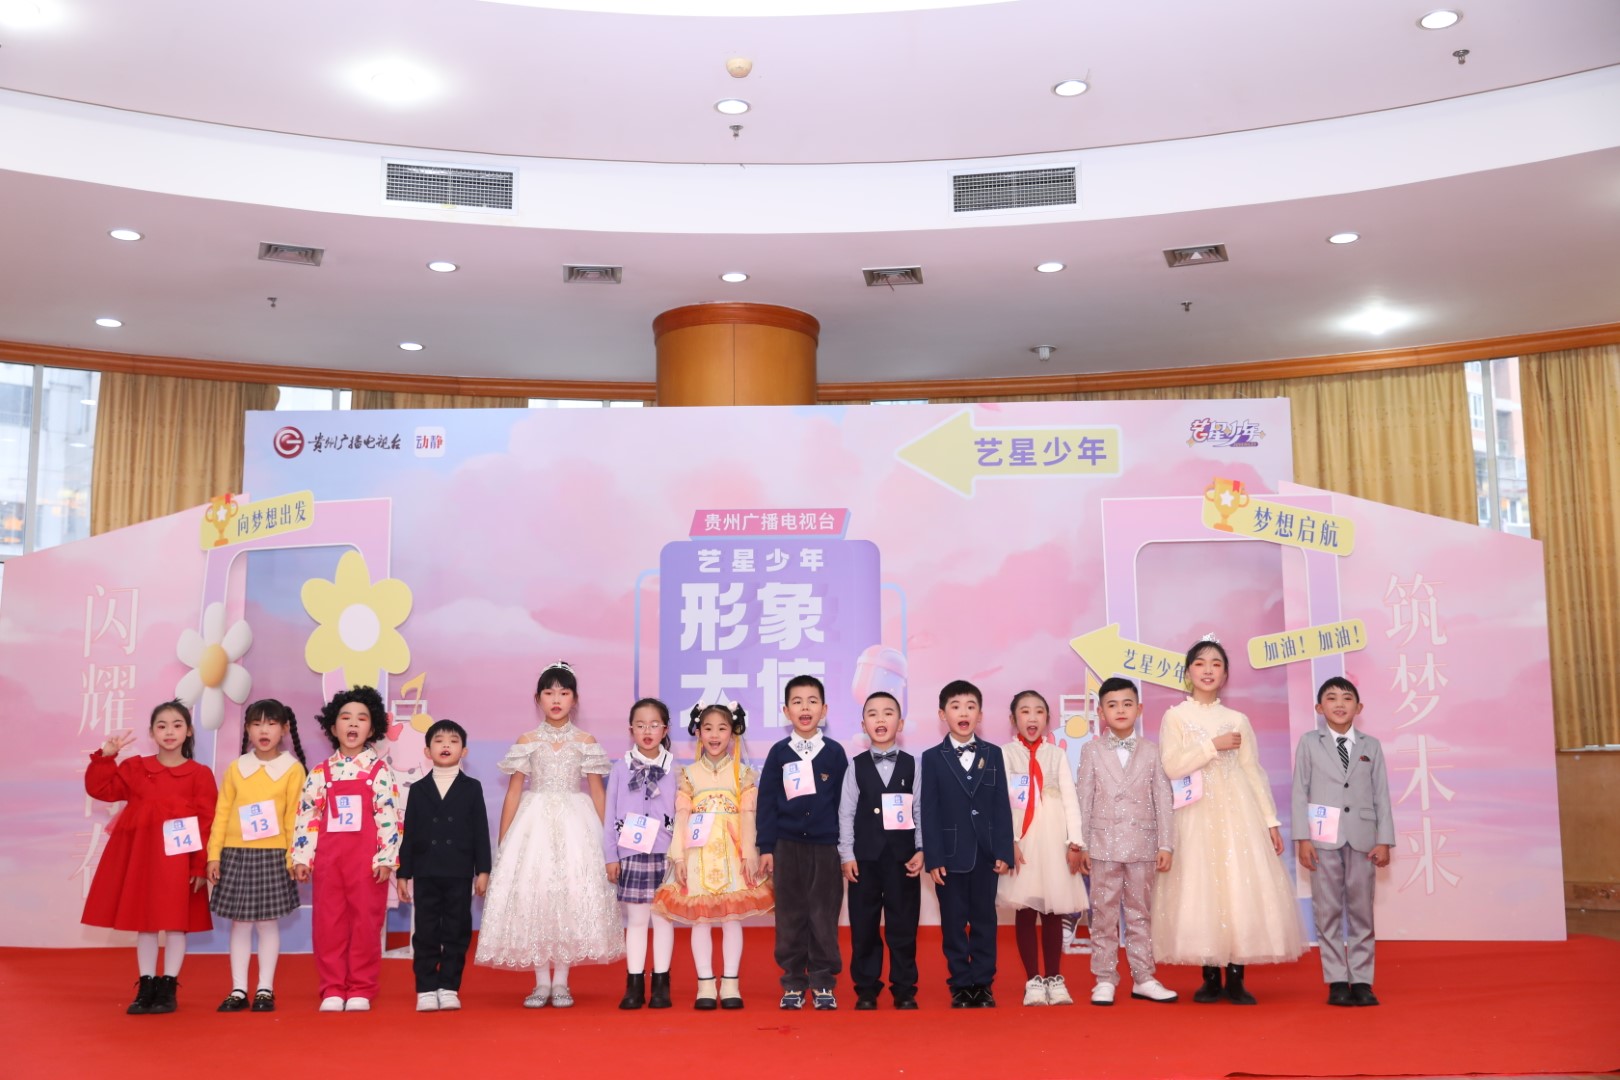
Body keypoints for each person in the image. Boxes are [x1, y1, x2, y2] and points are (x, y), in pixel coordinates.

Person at [1151, 636, 1304, 1004]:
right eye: (1200, 663)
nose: (1208, 670)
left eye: (1216, 664)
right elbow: (1171, 766)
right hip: (1194, 813)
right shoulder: (1175, 717)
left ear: (1225, 675)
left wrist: (1270, 821)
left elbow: (1253, 771)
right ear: (1188, 672)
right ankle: (1209, 977)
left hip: (1238, 812)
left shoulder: (1238, 719)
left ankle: (1236, 977)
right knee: (1202, 887)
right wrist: (1211, 746)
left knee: (1238, 886)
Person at [474, 661, 622, 1007]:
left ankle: (562, 982)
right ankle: (541, 983)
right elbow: (513, 792)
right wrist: (504, 841)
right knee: (536, 895)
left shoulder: (585, 742)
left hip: (576, 826)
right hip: (533, 825)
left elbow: (598, 793)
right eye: (549, 692)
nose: (556, 699)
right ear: (537, 698)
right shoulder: (527, 741)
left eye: (564, 693)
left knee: (569, 896)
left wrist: (608, 843)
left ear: (575, 699)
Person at [83, 700, 217, 1015]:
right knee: (145, 924)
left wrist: (199, 865)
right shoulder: (135, 768)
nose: (169, 732)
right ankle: (146, 986)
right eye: (162, 726)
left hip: (179, 861)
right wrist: (106, 756)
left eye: (177, 725)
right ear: (151, 733)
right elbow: (101, 789)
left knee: (176, 925)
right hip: (142, 858)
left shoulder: (200, 774)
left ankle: (168, 988)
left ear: (189, 731)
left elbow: (207, 823)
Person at [652, 702, 774, 1010]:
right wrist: (679, 858)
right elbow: (681, 818)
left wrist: (750, 853)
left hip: (733, 854)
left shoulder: (743, 774)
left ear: (733, 733)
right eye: (708, 728)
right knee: (701, 920)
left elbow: (749, 816)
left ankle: (731, 982)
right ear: (698, 733)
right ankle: (705, 983)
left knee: (732, 919)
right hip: (698, 855)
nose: (715, 735)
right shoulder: (689, 775)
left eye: (722, 728)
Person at [291, 686, 402, 1012]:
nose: (353, 723)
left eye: (362, 718)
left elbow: (389, 817)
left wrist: (386, 858)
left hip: (367, 864)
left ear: (373, 728)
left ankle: (361, 988)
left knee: (366, 925)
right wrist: (302, 857)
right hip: (328, 862)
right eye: (346, 717)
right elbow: (307, 816)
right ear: (332, 726)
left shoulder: (380, 771)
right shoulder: (319, 773)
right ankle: (332, 988)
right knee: (328, 924)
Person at [1074, 677, 1178, 1006]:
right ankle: (1105, 978)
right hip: (1102, 844)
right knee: (1103, 914)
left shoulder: (1152, 751)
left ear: (1139, 709)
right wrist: (1082, 844)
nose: (1120, 710)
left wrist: (1166, 844)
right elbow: (1083, 799)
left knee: (1139, 914)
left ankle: (1144, 977)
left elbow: (1163, 799)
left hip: (1143, 844)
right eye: (1112, 705)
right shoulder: (1091, 750)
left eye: (1127, 704)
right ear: (1100, 712)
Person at [1292, 676, 1394, 1007]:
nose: (1339, 704)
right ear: (1319, 708)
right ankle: (1337, 980)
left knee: (1362, 910)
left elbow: (1381, 795)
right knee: (1328, 910)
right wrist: (1302, 838)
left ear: (1359, 707)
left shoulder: (1370, 745)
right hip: (1322, 839)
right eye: (1332, 698)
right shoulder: (1310, 742)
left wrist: (1384, 839)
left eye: (1347, 698)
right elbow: (1299, 791)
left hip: (1363, 839)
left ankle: (1362, 981)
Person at [918, 679, 1015, 1008]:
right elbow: (929, 810)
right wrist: (933, 857)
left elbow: (1001, 805)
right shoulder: (932, 758)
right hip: (949, 856)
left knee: (985, 922)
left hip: (986, 855)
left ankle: (983, 984)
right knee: (953, 924)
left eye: (971, 707)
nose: (964, 713)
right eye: (956, 706)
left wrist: (1003, 850)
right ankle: (960, 984)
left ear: (980, 715)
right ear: (942, 714)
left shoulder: (993, 754)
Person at [206, 698, 307, 1013]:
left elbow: (294, 818)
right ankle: (238, 989)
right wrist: (214, 855)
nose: (264, 730)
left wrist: (293, 858)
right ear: (247, 729)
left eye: (272, 723)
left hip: (273, 854)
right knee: (240, 924)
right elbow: (222, 813)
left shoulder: (292, 770)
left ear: (285, 729)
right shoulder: (237, 768)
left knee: (266, 924)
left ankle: (265, 989)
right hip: (236, 854)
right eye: (257, 724)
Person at [757, 674, 850, 1010]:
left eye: (812, 701)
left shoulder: (835, 753)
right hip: (787, 846)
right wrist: (766, 847)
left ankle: (823, 981)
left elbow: (845, 805)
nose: (805, 708)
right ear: (786, 711)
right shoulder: (779, 753)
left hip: (826, 847)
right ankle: (794, 981)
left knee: (824, 914)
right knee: (790, 915)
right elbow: (767, 803)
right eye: (797, 702)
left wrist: (845, 849)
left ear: (824, 709)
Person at [997, 689, 1089, 1006]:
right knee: (1025, 909)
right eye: (1025, 711)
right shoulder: (1005, 754)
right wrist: (1009, 841)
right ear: (1013, 719)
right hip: (1023, 840)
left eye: (1038, 711)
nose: (1032, 717)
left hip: (1053, 838)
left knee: (1054, 908)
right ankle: (1033, 980)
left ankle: (1054, 977)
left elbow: (1070, 800)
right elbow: (1001, 803)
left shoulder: (1056, 755)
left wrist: (1075, 841)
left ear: (1047, 719)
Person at [396, 718, 491, 1012]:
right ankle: (426, 987)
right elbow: (410, 833)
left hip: (459, 871)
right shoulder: (418, 789)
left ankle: (449, 986)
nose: (446, 745)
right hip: (426, 871)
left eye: (453, 741)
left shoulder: (472, 788)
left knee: (456, 931)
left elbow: (480, 831)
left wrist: (483, 870)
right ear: (427, 751)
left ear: (464, 751)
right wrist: (403, 874)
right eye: (438, 741)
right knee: (425, 932)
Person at [837, 691, 924, 1010]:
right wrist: (847, 854)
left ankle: (904, 988)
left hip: (903, 860)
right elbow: (845, 813)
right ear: (863, 725)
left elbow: (920, 810)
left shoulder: (913, 765)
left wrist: (921, 849)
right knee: (864, 925)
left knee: (903, 925)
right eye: (872, 714)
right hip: (865, 860)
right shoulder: (855, 766)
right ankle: (866, 988)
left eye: (888, 713)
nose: (881, 719)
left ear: (900, 723)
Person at [603, 698, 679, 1010]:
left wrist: (679, 855)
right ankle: (634, 984)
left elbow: (683, 814)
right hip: (631, 853)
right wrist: (611, 855)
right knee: (636, 920)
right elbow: (609, 814)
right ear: (630, 730)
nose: (647, 731)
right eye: (640, 725)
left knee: (663, 920)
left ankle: (661, 984)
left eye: (654, 725)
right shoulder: (620, 769)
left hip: (666, 855)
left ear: (665, 730)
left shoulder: (676, 770)